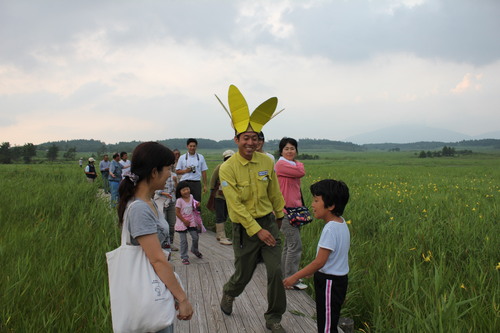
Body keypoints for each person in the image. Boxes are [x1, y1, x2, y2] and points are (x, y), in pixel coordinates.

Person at [217, 85, 286, 333]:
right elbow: (235, 206)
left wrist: (278, 217)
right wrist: (257, 231)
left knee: (276, 271)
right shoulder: (228, 169)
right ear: (236, 140)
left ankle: (274, 318)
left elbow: (274, 192)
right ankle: (229, 292)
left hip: (268, 222)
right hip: (244, 230)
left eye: (255, 138)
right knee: (243, 275)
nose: (251, 142)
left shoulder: (267, 160)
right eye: (245, 138)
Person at [117, 141, 193, 332]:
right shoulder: (140, 209)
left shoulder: (149, 202)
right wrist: (182, 298)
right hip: (149, 293)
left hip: (157, 287)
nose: (170, 174)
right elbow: (157, 259)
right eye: (168, 168)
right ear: (153, 172)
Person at [283, 179, 350, 333]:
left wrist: (294, 277)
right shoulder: (341, 223)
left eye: (316, 200)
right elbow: (332, 258)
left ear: (331, 205)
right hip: (338, 280)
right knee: (329, 321)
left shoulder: (330, 229)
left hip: (329, 283)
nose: (312, 204)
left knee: (326, 326)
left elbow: (319, 262)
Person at [275, 137, 308, 290]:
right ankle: (291, 280)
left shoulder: (290, 164)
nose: (290, 151)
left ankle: (285, 278)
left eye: (292, 148)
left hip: (294, 211)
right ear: (281, 151)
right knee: (295, 245)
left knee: (289, 245)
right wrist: (299, 164)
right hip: (285, 211)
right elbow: (301, 171)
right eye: (286, 148)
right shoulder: (281, 165)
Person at [208, 150, 234, 245]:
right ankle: (221, 236)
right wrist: (212, 192)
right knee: (220, 215)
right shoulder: (220, 167)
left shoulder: (234, 168)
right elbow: (213, 179)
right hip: (219, 195)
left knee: (225, 214)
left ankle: (219, 234)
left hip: (229, 195)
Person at [174, 181, 204, 265]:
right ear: (179, 192)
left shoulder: (191, 196)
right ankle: (184, 257)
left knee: (195, 237)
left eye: (187, 189)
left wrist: (197, 204)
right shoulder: (179, 201)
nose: (186, 191)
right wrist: (184, 221)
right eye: (183, 190)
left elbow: (193, 203)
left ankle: (194, 249)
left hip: (191, 220)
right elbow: (177, 212)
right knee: (183, 241)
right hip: (182, 221)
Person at [175, 139, 208, 205]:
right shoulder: (182, 157)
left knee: (197, 203)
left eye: (194, 146)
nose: (192, 148)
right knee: (184, 203)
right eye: (190, 146)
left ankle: (197, 215)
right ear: (187, 146)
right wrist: (185, 171)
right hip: (184, 182)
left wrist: (205, 185)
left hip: (196, 183)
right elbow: (177, 171)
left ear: (196, 147)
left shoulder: (200, 157)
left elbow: (204, 171)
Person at [154, 168, 179, 251]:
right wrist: (164, 193)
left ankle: (170, 243)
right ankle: (162, 243)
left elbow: (177, 189)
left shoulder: (174, 175)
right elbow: (155, 189)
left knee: (172, 224)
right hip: (161, 201)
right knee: (162, 224)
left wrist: (176, 182)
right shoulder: (158, 175)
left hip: (172, 201)